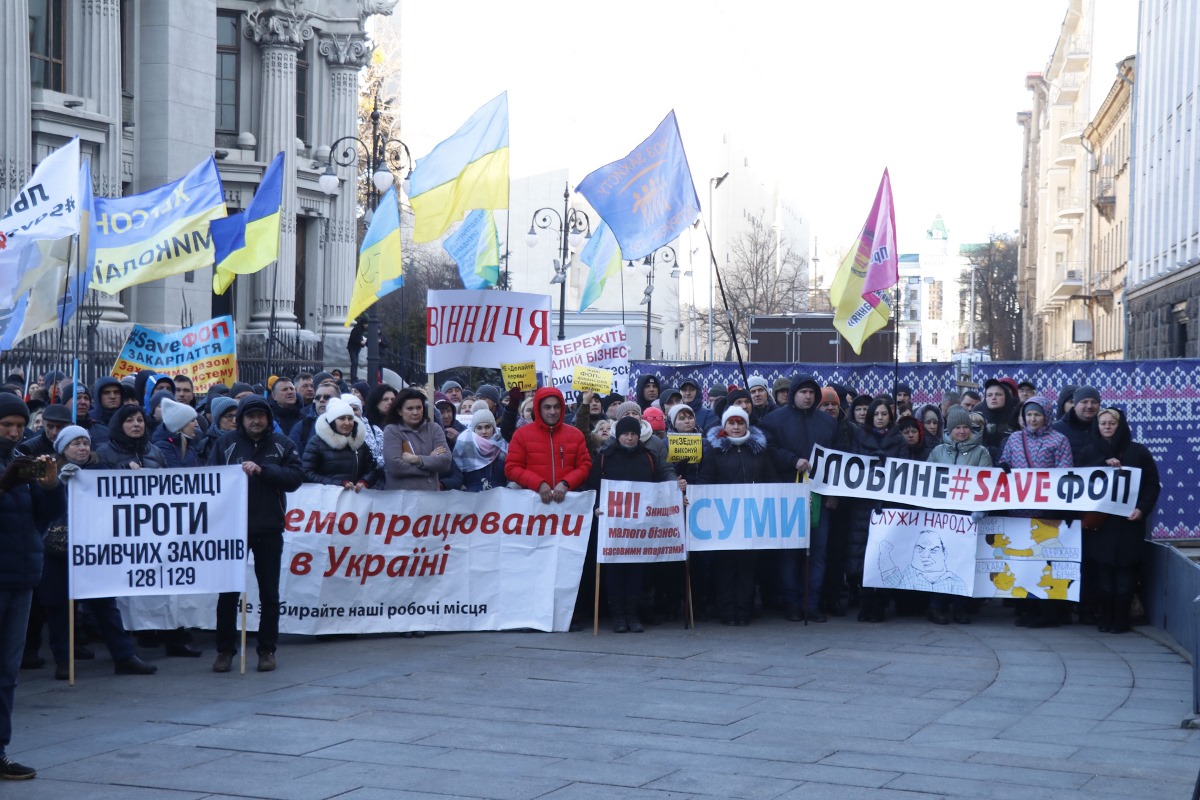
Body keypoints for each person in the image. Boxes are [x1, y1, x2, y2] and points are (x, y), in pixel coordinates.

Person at [43, 426, 157, 680]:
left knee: (105, 604)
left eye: (85, 442)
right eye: (75, 444)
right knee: (59, 608)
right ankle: (63, 660)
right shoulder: (48, 470)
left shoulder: (101, 470)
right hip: (59, 550)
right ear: (62, 449)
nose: (82, 448)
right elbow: (41, 503)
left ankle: (124, 656)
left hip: (95, 550)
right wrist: (57, 484)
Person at [207, 396, 303, 673]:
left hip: (269, 528)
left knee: (269, 593)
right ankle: (224, 650)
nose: (256, 421)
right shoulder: (225, 444)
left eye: (261, 416)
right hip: (233, 530)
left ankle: (267, 650)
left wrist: (263, 472)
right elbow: (211, 480)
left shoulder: (283, 444)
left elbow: (295, 478)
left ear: (268, 419)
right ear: (241, 420)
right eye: (250, 416)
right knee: (228, 594)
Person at [0, 392, 61, 780]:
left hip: (21, 576)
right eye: (6, 426)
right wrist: (5, 485)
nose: (13, 432)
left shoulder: (20, 459)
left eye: (20, 427)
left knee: (8, 670)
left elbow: (45, 514)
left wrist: (50, 484)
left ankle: (1, 749)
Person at [760, 374, 836, 623]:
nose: (808, 396)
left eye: (812, 392)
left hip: (820, 494)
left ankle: (811, 603)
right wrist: (793, 461)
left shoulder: (827, 423)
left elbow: (838, 460)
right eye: (803, 392)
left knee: (819, 551)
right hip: (788, 494)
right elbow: (769, 449)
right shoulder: (773, 420)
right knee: (790, 552)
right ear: (793, 394)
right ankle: (791, 603)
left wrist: (833, 494)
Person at [589, 415, 675, 633]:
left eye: (633, 434)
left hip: (638, 527)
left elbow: (658, 485)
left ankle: (633, 614)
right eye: (626, 434)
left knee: (637, 571)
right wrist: (595, 507)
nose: (629, 438)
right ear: (619, 435)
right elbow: (592, 487)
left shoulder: (647, 457)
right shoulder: (605, 457)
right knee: (615, 571)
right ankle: (618, 616)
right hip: (612, 525)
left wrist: (675, 488)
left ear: (639, 436)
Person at [697, 407, 778, 626]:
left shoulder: (759, 451)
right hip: (724, 519)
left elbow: (771, 481)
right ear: (724, 426)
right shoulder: (715, 451)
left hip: (752, 518)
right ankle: (727, 612)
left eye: (739, 423)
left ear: (746, 425)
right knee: (725, 567)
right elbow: (706, 480)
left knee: (747, 566)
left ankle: (744, 611)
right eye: (731, 423)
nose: (735, 427)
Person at [999, 397, 1072, 629]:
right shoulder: (1014, 439)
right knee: (1025, 561)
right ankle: (1029, 608)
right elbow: (1005, 462)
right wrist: (1002, 468)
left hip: (1047, 514)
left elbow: (1065, 472)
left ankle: (1049, 612)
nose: (1032, 419)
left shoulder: (1059, 440)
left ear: (1046, 416)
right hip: (1020, 513)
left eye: (1037, 415)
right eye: (1029, 414)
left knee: (1046, 563)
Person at [1090, 407, 1161, 633]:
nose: (1108, 427)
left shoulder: (1138, 452)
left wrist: (1142, 509)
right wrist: (1102, 464)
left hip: (1129, 524)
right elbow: (1078, 481)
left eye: (1112, 423)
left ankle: (1121, 619)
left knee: (1125, 573)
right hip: (1099, 525)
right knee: (1102, 574)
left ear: (1120, 425)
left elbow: (1151, 485)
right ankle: (1105, 616)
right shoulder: (1089, 451)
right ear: (1097, 426)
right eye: (1103, 423)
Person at [505, 386, 592, 504]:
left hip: (568, 506)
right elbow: (511, 468)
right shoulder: (521, 435)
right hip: (533, 506)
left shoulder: (576, 435)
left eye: (556, 407)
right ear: (538, 409)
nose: (552, 411)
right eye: (547, 407)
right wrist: (538, 483)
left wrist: (566, 483)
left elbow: (585, 466)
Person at [382, 389, 451, 491]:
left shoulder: (434, 428)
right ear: (400, 411)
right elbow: (395, 467)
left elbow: (445, 462)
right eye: (410, 408)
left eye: (419, 408)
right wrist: (429, 466)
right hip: (402, 500)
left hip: (431, 498)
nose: (415, 412)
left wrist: (417, 459)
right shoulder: (392, 430)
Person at [302, 397, 377, 489]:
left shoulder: (359, 442)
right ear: (332, 421)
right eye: (342, 418)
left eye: (350, 418)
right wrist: (339, 484)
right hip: (326, 498)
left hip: (355, 498)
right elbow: (307, 472)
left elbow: (372, 469)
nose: (347, 423)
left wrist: (364, 481)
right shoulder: (317, 443)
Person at [452, 408, 508, 492]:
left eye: (487, 427)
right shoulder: (464, 444)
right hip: (472, 497)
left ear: (493, 427)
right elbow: (457, 473)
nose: (484, 431)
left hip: (501, 495)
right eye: (479, 428)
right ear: (473, 429)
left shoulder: (503, 442)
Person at [96, 405, 167, 470]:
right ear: (119, 425)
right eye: (129, 420)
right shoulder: (104, 453)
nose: (136, 424)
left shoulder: (156, 452)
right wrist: (125, 469)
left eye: (140, 420)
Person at [288, 383, 339, 454]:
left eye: (327, 397)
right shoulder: (302, 426)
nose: (321, 400)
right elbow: (293, 460)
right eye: (317, 397)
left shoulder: (348, 424)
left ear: (339, 400)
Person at [151, 398, 201, 468]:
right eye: (192, 420)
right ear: (180, 425)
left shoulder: (189, 446)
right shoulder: (163, 447)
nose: (196, 424)